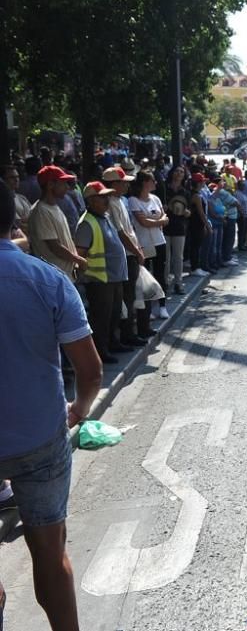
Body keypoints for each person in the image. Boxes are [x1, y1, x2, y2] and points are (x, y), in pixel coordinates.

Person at [0, 179, 103, 631]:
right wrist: (78, 409)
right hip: (41, 435)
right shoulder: (46, 279)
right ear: (15, 221)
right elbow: (91, 370)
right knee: (49, 553)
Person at [75, 182, 130, 364]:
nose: (107, 200)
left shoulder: (104, 217)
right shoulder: (86, 223)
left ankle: (113, 343)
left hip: (114, 277)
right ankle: (101, 351)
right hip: (99, 280)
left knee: (114, 313)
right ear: (91, 201)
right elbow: (80, 253)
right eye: (102, 197)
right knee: (102, 318)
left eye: (107, 196)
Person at [104, 166, 152, 343]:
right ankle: (126, 334)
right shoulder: (110, 203)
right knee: (127, 297)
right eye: (122, 183)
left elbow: (129, 229)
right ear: (113, 184)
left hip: (132, 252)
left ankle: (132, 331)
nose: (126, 186)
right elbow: (120, 232)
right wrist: (136, 250)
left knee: (133, 295)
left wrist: (137, 247)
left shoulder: (121, 200)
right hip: (125, 254)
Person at [27, 166, 87, 282]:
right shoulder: (41, 211)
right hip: (55, 278)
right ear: (50, 185)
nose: (67, 187)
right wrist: (79, 260)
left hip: (66, 275)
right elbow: (55, 247)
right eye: (63, 183)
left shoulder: (54, 207)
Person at [129, 171, 170, 319]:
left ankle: (162, 305)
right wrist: (159, 221)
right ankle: (148, 308)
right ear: (145, 182)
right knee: (145, 276)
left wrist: (157, 220)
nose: (155, 183)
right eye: (152, 180)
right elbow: (143, 222)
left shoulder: (155, 198)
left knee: (161, 275)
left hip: (159, 242)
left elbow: (164, 215)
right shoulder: (133, 200)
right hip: (144, 243)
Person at [163, 167, 189, 294]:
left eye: (182, 172)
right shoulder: (164, 188)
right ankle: (165, 283)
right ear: (172, 173)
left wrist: (185, 212)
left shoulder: (185, 191)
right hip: (165, 226)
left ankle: (178, 283)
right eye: (177, 171)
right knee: (166, 258)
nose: (179, 173)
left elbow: (189, 212)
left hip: (179, 227)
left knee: (178, 257)